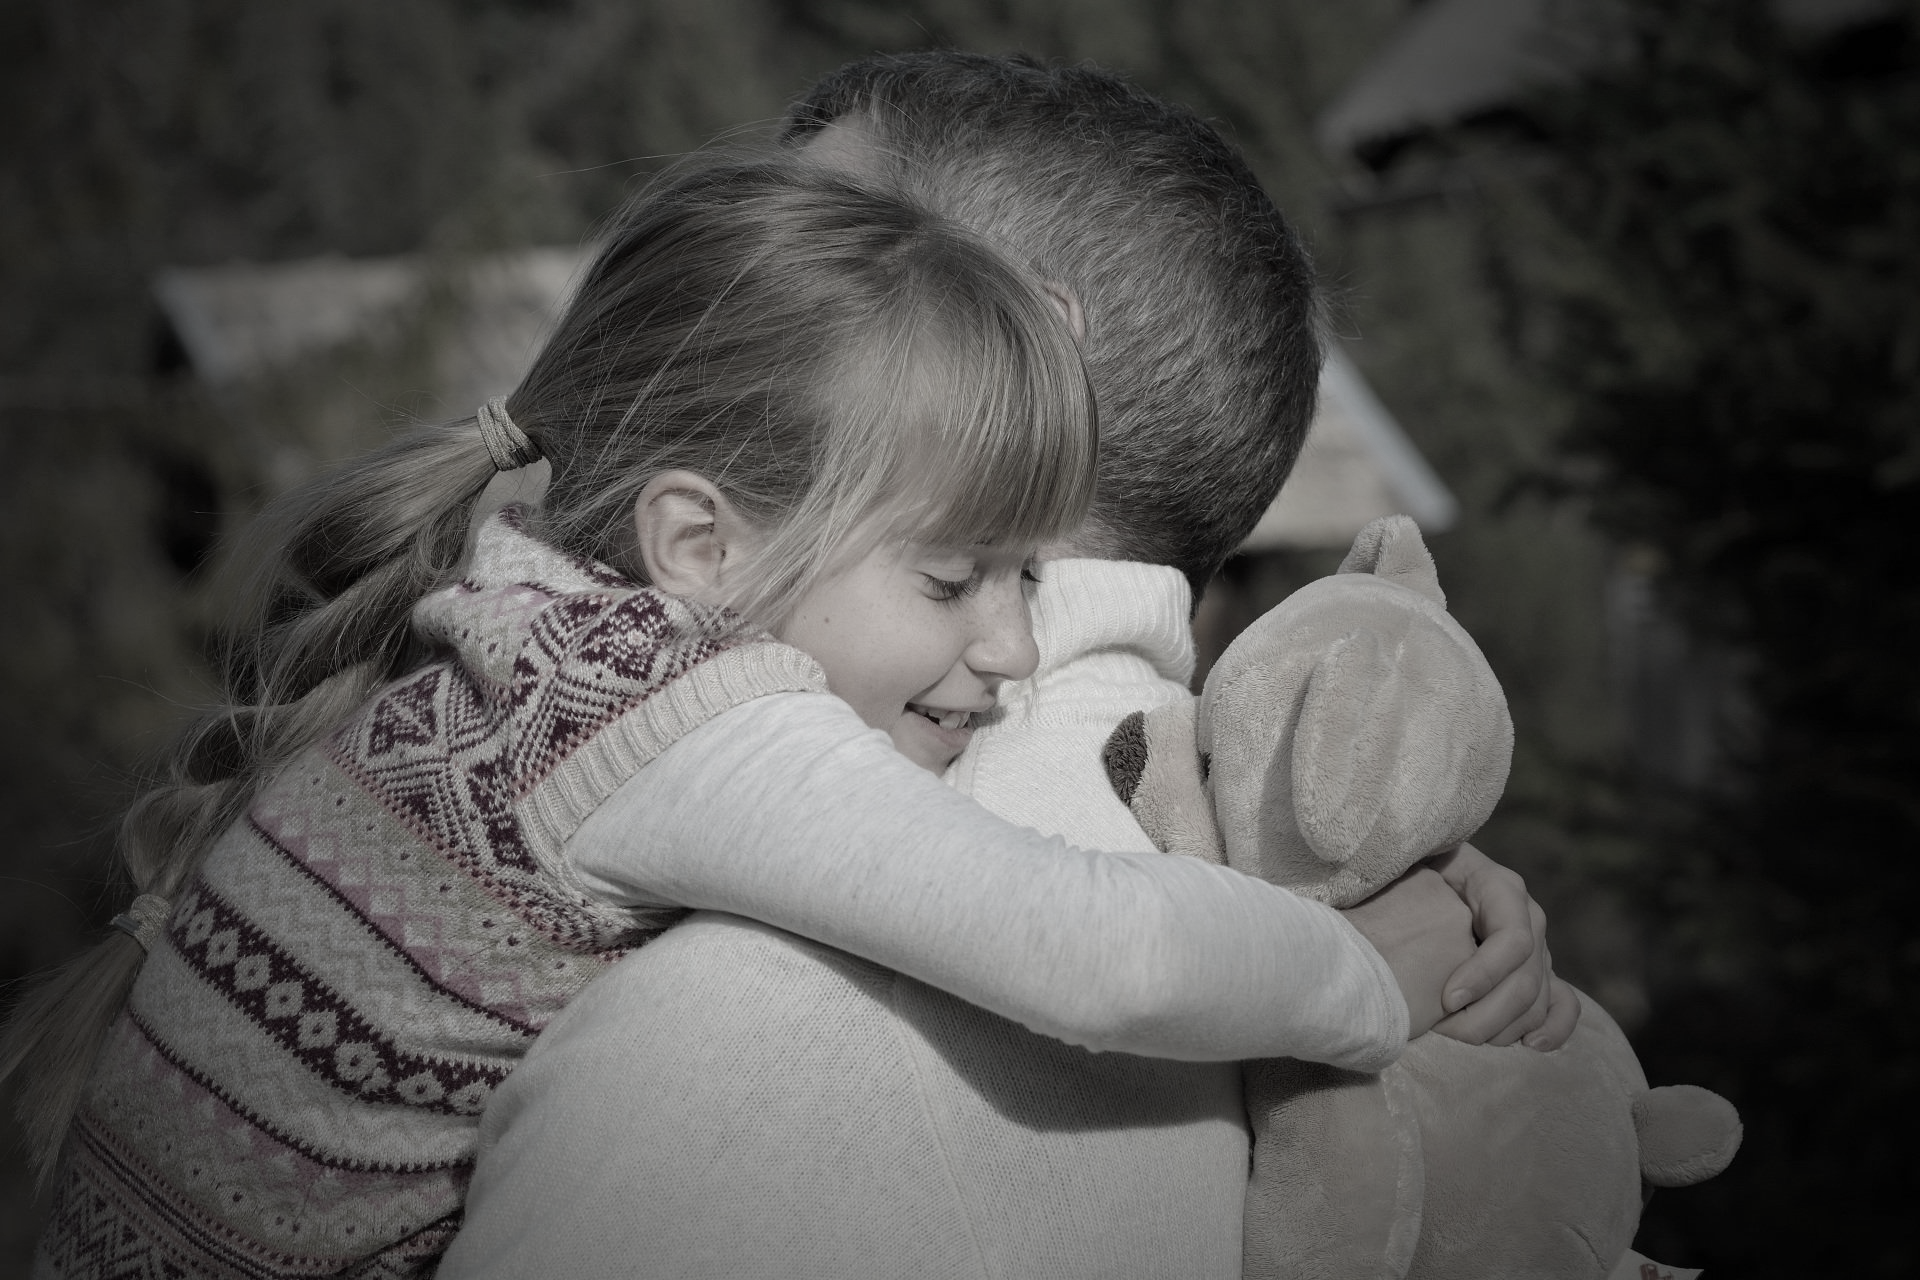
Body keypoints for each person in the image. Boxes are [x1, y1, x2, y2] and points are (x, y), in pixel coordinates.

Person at [9, 155, 1447, 1279]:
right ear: (701, 546)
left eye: (1031, 577)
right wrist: (1368, 976)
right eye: (960, 577)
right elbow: (1100, 952)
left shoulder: (526, 620)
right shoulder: (676, 729)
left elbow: (933, 615)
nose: (1012, 642)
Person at [440, 54, 1572, 1280]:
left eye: (808, 244)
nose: (706, 301)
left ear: (1024, 345)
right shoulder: (1319, 901)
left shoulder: (735, 1036)